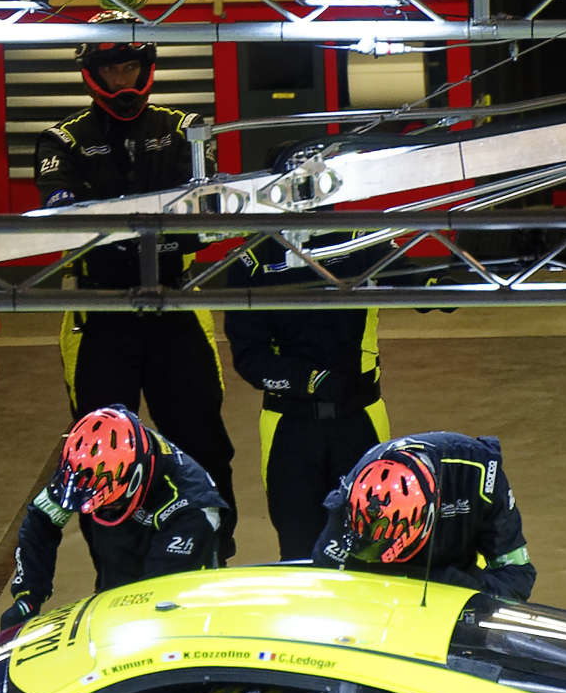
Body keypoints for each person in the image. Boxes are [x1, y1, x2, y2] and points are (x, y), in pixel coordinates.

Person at [35, 12, 238, 560]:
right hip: (96, 313)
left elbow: (200, 217)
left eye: (130, 67)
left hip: (177, 306)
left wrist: (123, 228)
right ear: (92, 74)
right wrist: (155, 224)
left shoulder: (186, 128)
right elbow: (70, 223)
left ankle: (212, 554)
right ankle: (114, 568)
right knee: (101, 452)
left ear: (146, 68)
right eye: (112, 69)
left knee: (203, 441)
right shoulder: (61, 139)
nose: (123, 80)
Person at [225, 239, 387, 560]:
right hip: (289, 425)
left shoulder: (362, 239)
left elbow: (413, 277)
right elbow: (249, 359)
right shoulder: (251, 259)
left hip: (360, 417)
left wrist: (443, 285)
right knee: (299, 548)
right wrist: (309, 381)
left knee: (371, 544)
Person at [1, 406, 226, 629]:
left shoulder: (191, 507)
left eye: (108, 503)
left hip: (181, 603)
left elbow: (156, 603)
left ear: (133, 479)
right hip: (121, 569)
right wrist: (28, 596)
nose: (99, 510)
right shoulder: (94, 458)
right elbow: (41, 518)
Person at [312, 433, 535, 599]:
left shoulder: (482, 475)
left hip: (456, 586)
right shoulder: (352, 493)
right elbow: (326, 576)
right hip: (380, 594)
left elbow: (517, 576)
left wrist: (460, 588)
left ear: (428, 517)